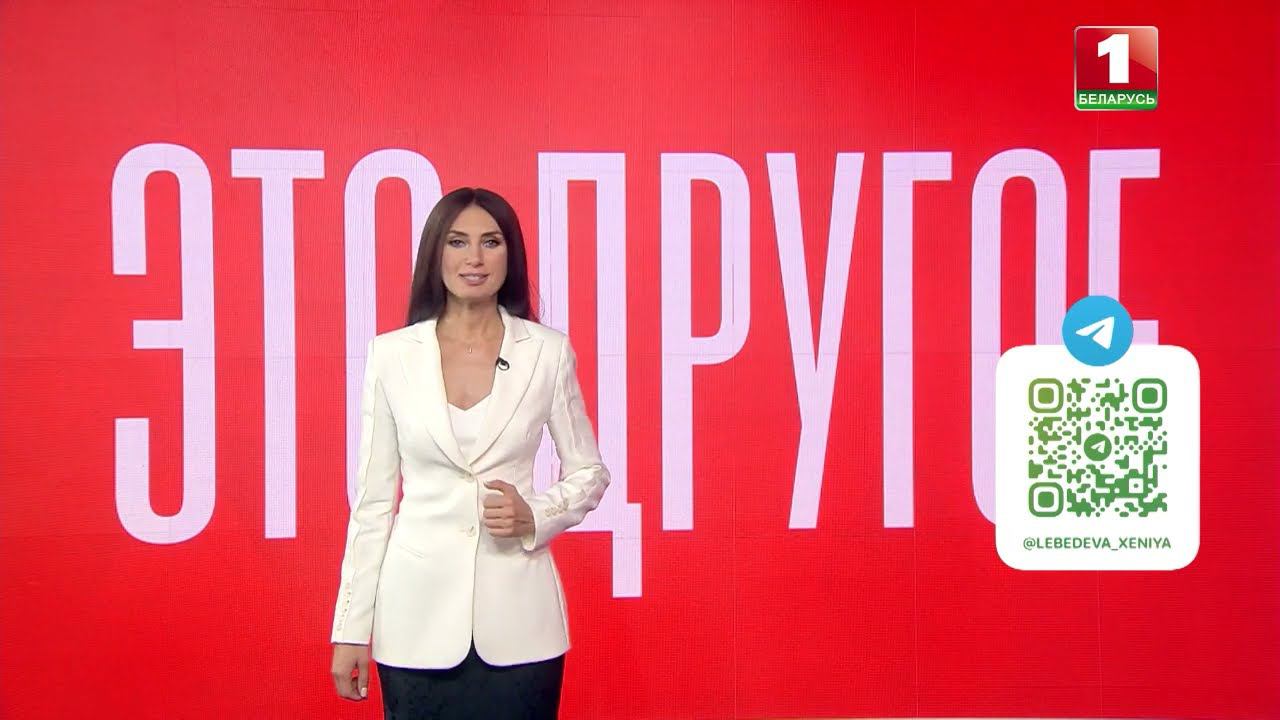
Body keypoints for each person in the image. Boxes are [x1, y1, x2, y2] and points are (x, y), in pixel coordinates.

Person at [328, 187, 611, 719]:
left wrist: (536, 515)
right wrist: (350, 627)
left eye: (491, 242)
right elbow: (372, 504)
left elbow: (589, 471)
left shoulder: (546, 352)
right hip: (414, 623)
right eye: (458, 242)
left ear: (511, 254)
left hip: (521, 625)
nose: (474, 258)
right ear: (436, 253)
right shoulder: (392, 355)